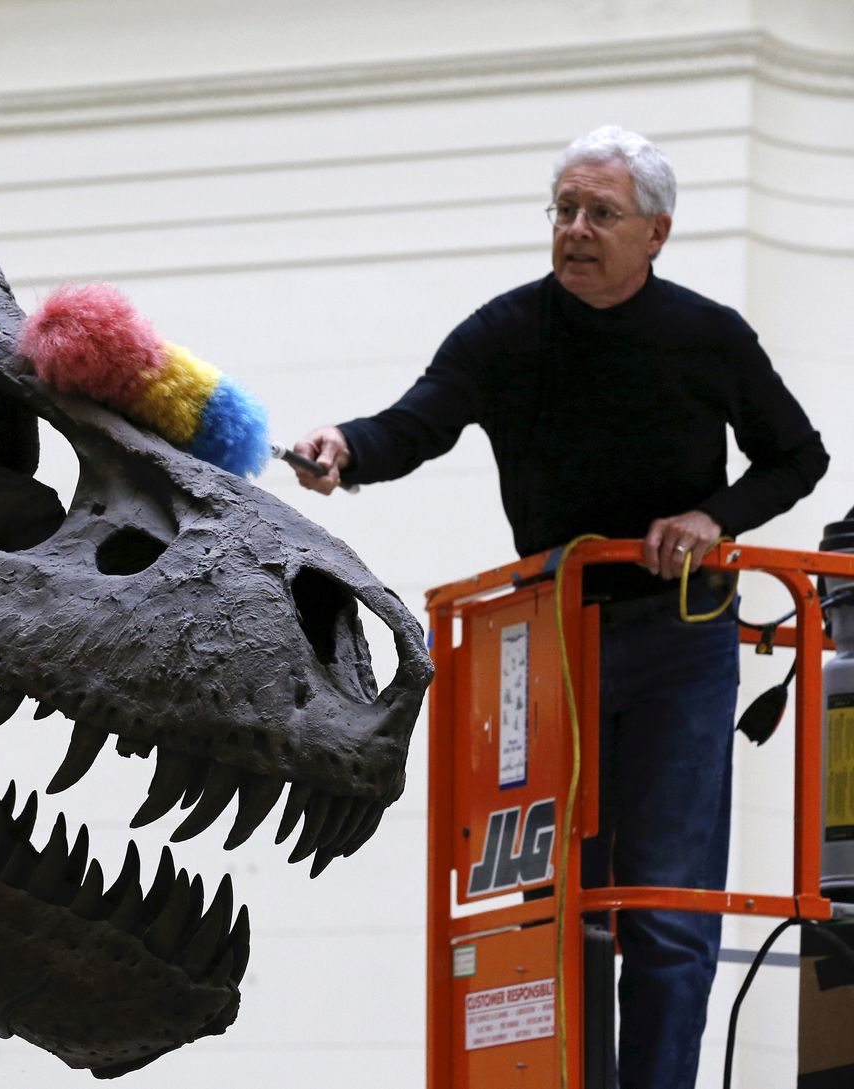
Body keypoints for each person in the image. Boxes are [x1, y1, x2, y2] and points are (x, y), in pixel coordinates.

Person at [291, 125, 829, 1089]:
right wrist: (346, 447)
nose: (576, 230)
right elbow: (420, 418)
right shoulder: (506, 332)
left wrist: (714, 516)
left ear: (656, 233)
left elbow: (800, 455)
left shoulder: (707, 335)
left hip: (682, 641)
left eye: (601, 214)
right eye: (565, 211)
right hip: (549, 646)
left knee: (667, 903)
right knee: (558, 899)